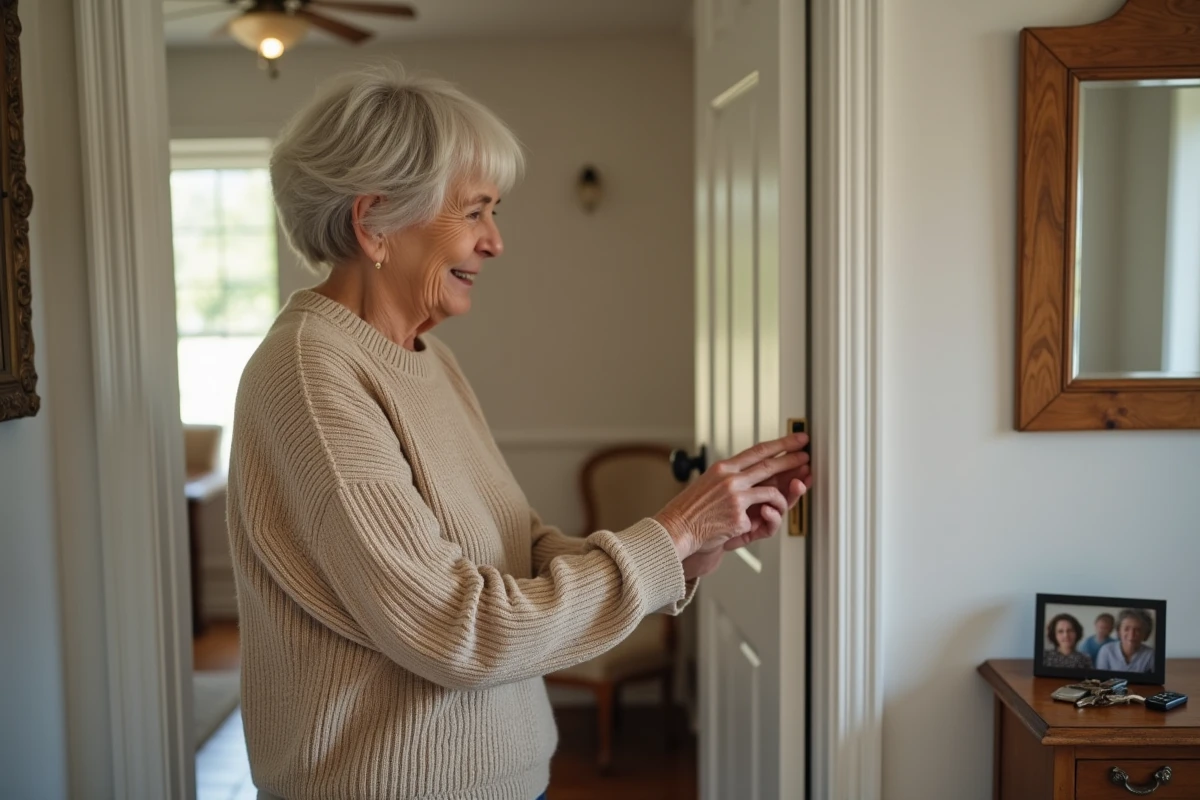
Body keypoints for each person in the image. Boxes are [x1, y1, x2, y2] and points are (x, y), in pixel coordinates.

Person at [227, 66, 813, 800]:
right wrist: (666, 536)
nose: (496, 242)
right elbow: (458, 626)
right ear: (374, 220)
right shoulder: (312, 377)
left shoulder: (427, 357)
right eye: (476, 212)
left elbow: (522, 551)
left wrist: (691, 550)